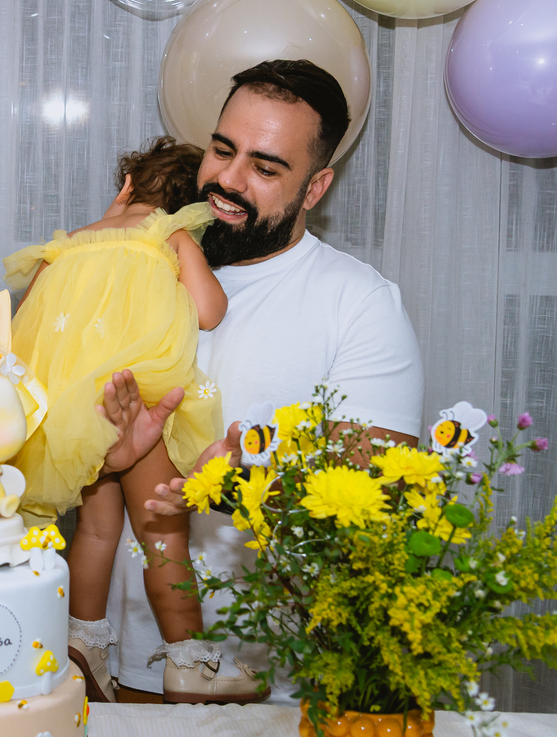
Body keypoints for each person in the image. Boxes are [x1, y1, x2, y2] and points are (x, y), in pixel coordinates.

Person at [102, 59, 425, 703]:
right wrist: (103, 453)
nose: (228, 178)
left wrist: (240, 487)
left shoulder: (358, 304)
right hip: (131, 663)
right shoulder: (139, 266)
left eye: (266, 166)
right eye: (223, 149)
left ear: (315, 187)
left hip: (277, 685)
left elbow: (381, 504)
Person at [5, 137, 264, 705]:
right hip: (141, 401)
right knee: (162, 535)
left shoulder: (65, 245)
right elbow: (210, 310)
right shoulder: (164, 233)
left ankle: (82, 646)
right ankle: (189, 661)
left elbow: (21, 329)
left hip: (80, 413)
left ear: (125, 188)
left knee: (96, 531)